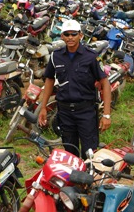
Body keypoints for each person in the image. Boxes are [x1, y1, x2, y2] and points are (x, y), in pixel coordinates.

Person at [38, 19, 111, 158]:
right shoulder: (56, 56)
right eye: (67, 34)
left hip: (86, 112)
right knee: (70, 152)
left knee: (89, 153)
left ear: (80, 35)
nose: (70, 37)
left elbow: (104, 83)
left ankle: (88, 178)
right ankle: (74, 178)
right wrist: (43, 107)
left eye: (74, 34)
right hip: (64, 112)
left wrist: (106, 114)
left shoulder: (91, 56)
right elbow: (49, 79)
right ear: (62, 36)